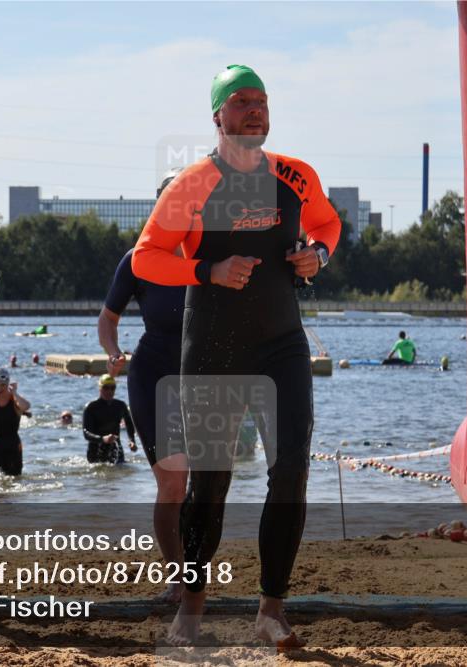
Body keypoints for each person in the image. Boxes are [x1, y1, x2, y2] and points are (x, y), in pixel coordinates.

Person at [132, 64, 340, 648]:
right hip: (214, 345)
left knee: (292, 470)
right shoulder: (195, 184)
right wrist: (207, 269)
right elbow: (148, 256)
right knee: (210, 483)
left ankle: (271, 609)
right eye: (242, 101)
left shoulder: (297, 176)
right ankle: (190, 614)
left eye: (262, 101)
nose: (255, 110)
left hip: (282, 343)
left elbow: (327, 223)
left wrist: (317, 257)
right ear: (218, 116)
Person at [98, 167, 188, 602]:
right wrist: (113, 352)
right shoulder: (137, 259)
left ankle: (197, 570)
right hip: (153, 376)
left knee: (208, 483)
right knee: (173, 484)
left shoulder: (209, 258)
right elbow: (107, 319)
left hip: (205, 376)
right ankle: (178, 578)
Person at [82, 374, 136, 464]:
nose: (109, 391)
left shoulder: (120, 406)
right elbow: (86, 433)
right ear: (100, 388)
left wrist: (132, 440)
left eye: (112, 388)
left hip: (116, 449)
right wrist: (103, 439)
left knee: (122, 474)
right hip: (96, 451)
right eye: (106, 388)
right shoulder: (91, 407)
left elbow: (129, 424)